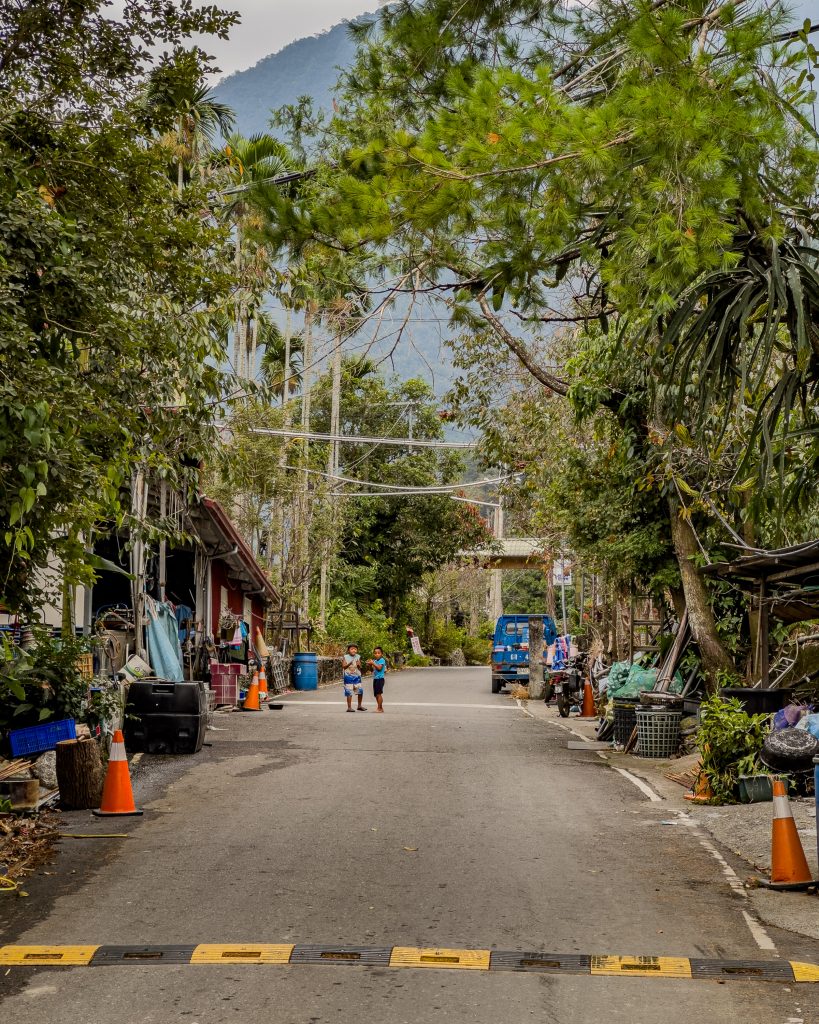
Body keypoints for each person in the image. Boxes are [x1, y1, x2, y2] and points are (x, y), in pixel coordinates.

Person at [343, 643, 365, 712]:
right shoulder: (345, 657)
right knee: (349, 692)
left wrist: (359, 665)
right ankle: (349, 707)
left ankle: (359, 706)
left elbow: (360, 667)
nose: (354, 650)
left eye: (355, 649)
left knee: (360, 691)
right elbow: (344, 666)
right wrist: (349, 663)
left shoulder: (358, 656)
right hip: (348, 677)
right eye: (352, 649)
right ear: (348, 650)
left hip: (357, 677)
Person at [367, 647, 387, 712]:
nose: (377, 654)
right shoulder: (375, 661)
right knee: (376, 694)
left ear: (381, 654)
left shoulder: (382, 660)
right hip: (375, 679)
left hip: (380, 679)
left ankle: (379, 708)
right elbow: (371, 670)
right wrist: (369, 665)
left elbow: (379, 668)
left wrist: (372, 663)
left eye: (379, 653)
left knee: (379, 694)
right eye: (375, 653)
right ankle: (380, 708)